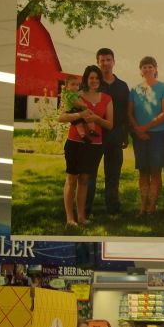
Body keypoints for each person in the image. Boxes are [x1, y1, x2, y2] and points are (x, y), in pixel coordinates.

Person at [59, 65, 113, 227]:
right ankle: (70, 218)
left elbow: (109, 125)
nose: (94, 81)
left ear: (100, 80)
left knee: (84, 179)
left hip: (95, 145)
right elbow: (61, 117)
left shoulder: (106, 99)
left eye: (97, 78)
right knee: (71, 179)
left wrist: (95, 118)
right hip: (75, 142)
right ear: (86, 80)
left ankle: (81, 217)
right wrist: (79, 115)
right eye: (91, 78)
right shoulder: (75, 95)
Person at [86, 48, 131, 217]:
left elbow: (126, 112)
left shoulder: (122, 86)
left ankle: (113, 208)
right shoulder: (93, 84)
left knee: (113, 176)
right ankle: (85, 209)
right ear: (98, 62)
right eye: (102, 60)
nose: (105, 63)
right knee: (90, 175)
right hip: (95, 135)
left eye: (108, 59)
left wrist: (125, 135)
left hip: (115, 136)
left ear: (114, 61)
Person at [128, 56, 164, 216]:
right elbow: (129, 113)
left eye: (150, 66)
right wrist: (138, 130)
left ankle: (152, 207)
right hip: (139, 136)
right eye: (144, 67)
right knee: (143, 171)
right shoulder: (135, 90)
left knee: (155, 171)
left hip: (159, 135)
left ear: (155, 69)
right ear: (141, 70)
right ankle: (143, 207)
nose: (147, 69)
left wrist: (144, 128)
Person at [61, 75, 98, 143]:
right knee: (79, 124)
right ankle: (83, 135)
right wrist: (83, 105)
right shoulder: (70, 94)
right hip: (72, 111)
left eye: (77, 85)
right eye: (73, 84)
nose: (76, 86)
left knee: (89, 118)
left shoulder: (75, 93)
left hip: (78, 110)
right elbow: (76, 103)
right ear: (67, 87)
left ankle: (91, 130)